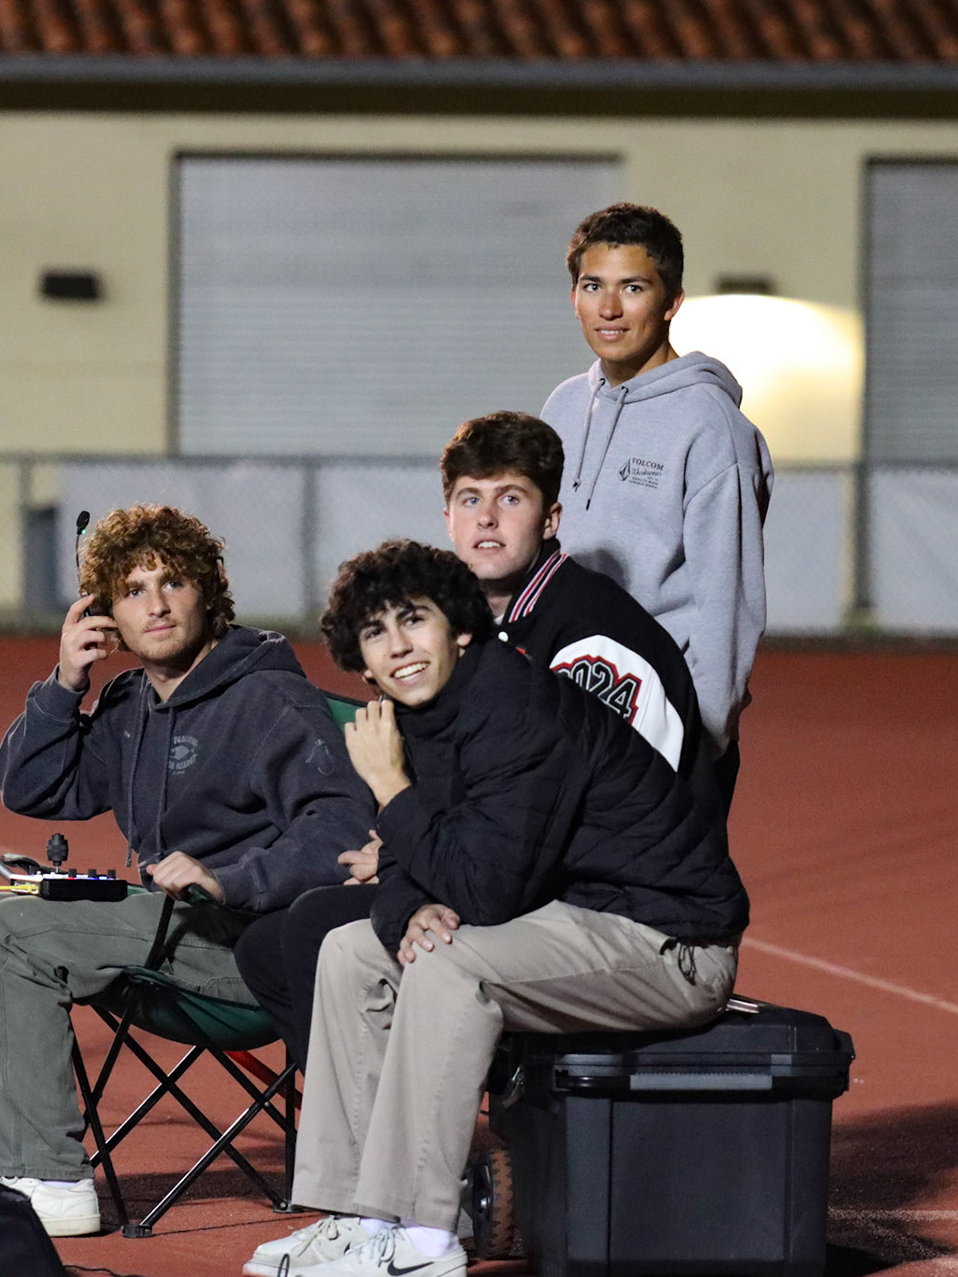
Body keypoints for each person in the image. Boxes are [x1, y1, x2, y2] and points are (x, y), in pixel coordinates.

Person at [243, 540, 747, 1277]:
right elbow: (418, 852)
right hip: (575, 913)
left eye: (414, 620)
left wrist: (391, 789)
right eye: (376, 633)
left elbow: (483, 890)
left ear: (459, 628)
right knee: (351, 951)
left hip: (670, 942)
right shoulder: (425, 714)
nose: (398, 646)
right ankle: (356, 1218)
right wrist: (406, 911)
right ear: (362, 661)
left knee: (451, 968)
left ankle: (424, 1237)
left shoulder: (516, 708)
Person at [0, 504, 373, 1237]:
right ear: (107, 613)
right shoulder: (130, 702)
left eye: (174, 582)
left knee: (13, 933)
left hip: (247, 945)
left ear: (209, 592)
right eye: (133, 591)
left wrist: (231, 878)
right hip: (170, 930)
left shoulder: (267, 697)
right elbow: (32, 788)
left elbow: (342, 828)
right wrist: (65, 682)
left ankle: (52, 1177)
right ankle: (3, 1162)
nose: (158, 605)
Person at [232, 411, 708, 1068]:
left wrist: (415, 853)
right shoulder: (463, 633)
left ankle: (434, 1102)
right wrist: (412, 862)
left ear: (550, 519)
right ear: (448, 518)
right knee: (270, 943)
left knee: (320, 926)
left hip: (601, 897)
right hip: (502, 861)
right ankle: (373, 1113)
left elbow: (590, 818)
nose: (486, 519)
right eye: (469, 500)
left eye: (510, 499)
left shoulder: (591, 637)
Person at [541, 202, 773, 809]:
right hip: (563, 716)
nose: (609, 309)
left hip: (662, 728)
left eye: (633, 288)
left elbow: (729, 606)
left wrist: (701, 746)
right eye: (593, 286)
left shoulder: (712, 428)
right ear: (574, 297)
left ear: (671, 302)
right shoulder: (563, 406)